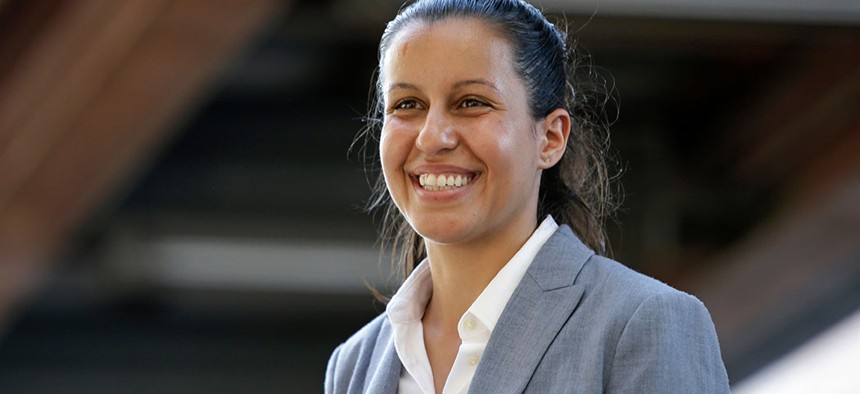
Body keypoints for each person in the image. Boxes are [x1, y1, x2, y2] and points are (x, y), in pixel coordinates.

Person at [325, 0, 730, 392]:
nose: (432, 137)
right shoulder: (354, 365)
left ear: (550, 138)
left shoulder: (641, 324)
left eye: (471, 103)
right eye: (407, 104)